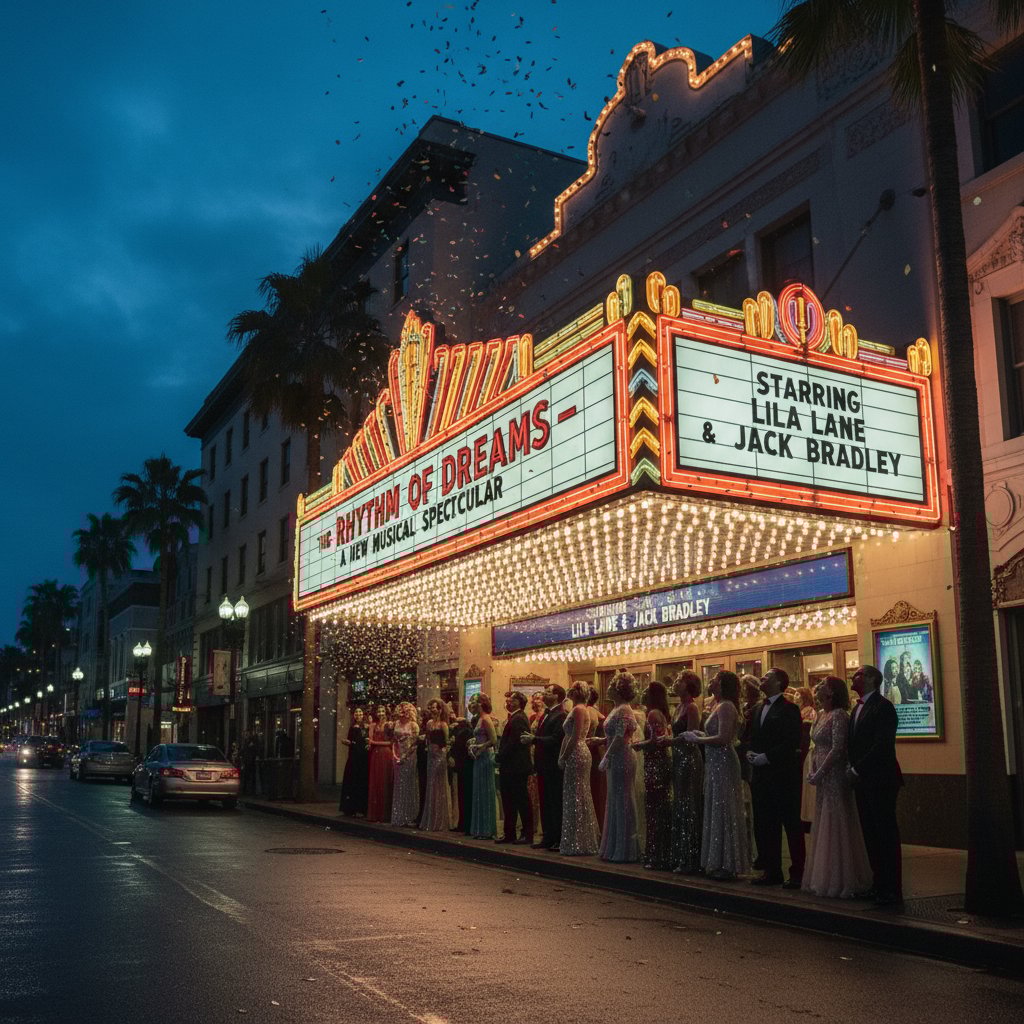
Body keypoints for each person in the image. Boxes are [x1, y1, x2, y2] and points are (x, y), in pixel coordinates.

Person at [802, 676, 873, 898]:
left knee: (836, 819)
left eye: (823, 685)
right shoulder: (821, 714)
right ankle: (824, 874)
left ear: (831, 692)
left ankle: (842, 878)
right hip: (820, 773)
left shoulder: (840, 715)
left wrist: (821, 771)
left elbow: (838, 748)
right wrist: (813, 770)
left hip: (833, 774)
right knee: (823, 819)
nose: (818, 687)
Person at [682, 671, 750, 880]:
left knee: (724, 807)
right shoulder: (718, 705)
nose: (710, 682)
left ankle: (727, 862)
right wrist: (701, 735)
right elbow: (716, 734)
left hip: (723, 762)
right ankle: (717, 860)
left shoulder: (727, 706)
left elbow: (724, 738)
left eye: (714, 680)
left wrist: (698, 740)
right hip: (714, 762)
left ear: (721, 685)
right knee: (715, 806)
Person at [847, 665, 904, 906]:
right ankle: (877, 883)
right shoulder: (857, 708)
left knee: (885, 834)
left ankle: (891, 889)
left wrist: (858, 768)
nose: (854, 677)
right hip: (862, 780)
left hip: (880, 779)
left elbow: (882, 745)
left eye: (859, 674)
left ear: (871, 679)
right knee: (870, 834)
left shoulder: (883, 707)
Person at [746, 668, 805, 888]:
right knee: (765, 824)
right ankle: (772, 870)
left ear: (779, 682)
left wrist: (767, 757)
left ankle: (797, 872)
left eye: (767, 676)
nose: (762, 678)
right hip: (761, 777)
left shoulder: (789, 708)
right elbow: (753, 736)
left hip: (783, 775)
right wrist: (751, 752)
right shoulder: (759, 707)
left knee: (790, 824)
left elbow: (791, 741)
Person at [657, 670, 703, 874]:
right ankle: (679, 854)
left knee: (688, 805)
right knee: (680, 805)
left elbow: (690, 737)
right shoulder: (678, 707)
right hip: (677, 757)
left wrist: (670, 741)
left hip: (688, 758)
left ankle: (690, 857)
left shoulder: (692, 707)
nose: (675, 683)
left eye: (679, 680)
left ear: (689, 685)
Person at [597, 669, 641, 863]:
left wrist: (606, 756)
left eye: (612, 686)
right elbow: (613, 735)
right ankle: (615, 846)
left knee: (622, 800)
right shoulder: (617, 708)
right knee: (615, 799)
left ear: (619, 689)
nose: (608, 689)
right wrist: (599, 740)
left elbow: (620, 737)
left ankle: (625, 849)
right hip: (616, 756)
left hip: (622, 758)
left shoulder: (624, 709)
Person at [521, 684, 566, 850]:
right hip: (543, 765)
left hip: (552, 765)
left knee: (554, 802)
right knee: (545, 802)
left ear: (556, 696)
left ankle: (557, 838)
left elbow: (555, 739)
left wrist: (534, 739)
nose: (544, 694)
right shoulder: (548, 714)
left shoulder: (560, 715)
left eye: (548, 692)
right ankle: (548, 837)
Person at [557, 682, 601, 856]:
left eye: (574, 690)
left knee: (578, 794)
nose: (571, 692)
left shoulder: (579, 710)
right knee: (573, 794)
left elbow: (575, 736)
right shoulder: (578, 709)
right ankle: (574, 839)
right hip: (575, 752)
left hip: (577, 753)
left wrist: (564, 756)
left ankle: (580, 841)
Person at [633, 681, 672, 870]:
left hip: (656, 763)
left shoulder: (653, 714)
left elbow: (658, 740)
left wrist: (641, 745)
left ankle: (656, 854)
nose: (643, 693)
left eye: (647, 691)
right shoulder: (657, 713)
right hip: (656, 762)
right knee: (657, 807)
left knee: (655, 808)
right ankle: (658, 852)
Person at [496, 691, 534, 844]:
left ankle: (526, 833)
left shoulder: (518, 718)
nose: (508, 702)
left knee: (520, 800)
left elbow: (514, 743)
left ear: (519, 702)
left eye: (512, 700)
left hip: (516, 766)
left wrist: (500, 755)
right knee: (509, 800)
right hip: (511, 766)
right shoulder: (515, 717)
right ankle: (509, 832)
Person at [469, 693, 498, 839]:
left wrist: (480, 746)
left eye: (473, 702)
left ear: (480, 704)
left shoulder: (486, 719)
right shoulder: (479, 719)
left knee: (485, 790)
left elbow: (493, 740)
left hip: (486, 756)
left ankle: (487, 829)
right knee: (479, 790)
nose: (471, 705)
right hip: (479, 756)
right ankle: (480, 828)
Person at [419, 700, 450, 832]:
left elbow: (447, 743)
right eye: (431, 708)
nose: (432, 710)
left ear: (440, 709)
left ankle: (440, 820)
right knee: (431, 785)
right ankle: (430, 819)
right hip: (430, 755)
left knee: (439, 785)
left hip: (440, 756)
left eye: (435, 708)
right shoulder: (429, 723)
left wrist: (443, 756)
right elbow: (427, 739)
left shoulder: (443, 725)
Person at [390, 702, 420, 827]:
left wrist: (405, 756)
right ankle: (399, 815)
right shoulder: (396, 724)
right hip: (397, 754)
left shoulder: (413, 725)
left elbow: (415, 744)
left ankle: (410, 815)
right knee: (399, 784)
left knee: (409, 784)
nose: (402, 714)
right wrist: (396, 754)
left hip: (409, 757)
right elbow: (393, 740)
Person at [366, 705, 394, 823]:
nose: (381, 713)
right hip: (376, 755)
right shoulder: (373, 725)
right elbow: (369, 739)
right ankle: (375, 814)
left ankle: (385, 814)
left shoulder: (389, 725)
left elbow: (391, 742)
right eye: (379, 711)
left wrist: (375, 743)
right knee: (376, 782)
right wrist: (372, 743)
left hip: (386, 754)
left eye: (383, 711)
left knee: (385, 781)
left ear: (386, 713)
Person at [338, 707, 369, 816]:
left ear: (363, 714)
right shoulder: (352, 728)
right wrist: (348, 742)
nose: (358, 714)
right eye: (356, 712)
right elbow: (351, 741)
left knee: (362, 782)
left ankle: (362, 809)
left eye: (360, 712)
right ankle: (351, 808)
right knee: (352, 781)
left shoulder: (368, 726)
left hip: (364, 758)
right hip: (354, 758)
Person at [585, 685, 607, 835]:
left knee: (592, 790)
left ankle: (593, 827)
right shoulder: (598, 712)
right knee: (598, 791)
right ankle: (600, 824)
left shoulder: (586, 711)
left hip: (590, 751)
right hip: (597, 752)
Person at [449, 712, 474, 832]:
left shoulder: (465, 732)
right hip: (462, 766)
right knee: (462, 794)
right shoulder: (462, 732)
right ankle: (463, 823)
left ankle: (465, 824)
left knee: (464, 794)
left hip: (465, 766)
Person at [241, 730, 259, 797]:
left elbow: (248, 750)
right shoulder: (246, 742)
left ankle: (249, 790)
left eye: (246, 734)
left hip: (250, 761)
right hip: (248, 761)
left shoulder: (251, 742)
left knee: (249, 776)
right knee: (247, 776)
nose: (245, 736)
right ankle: (247, 790)